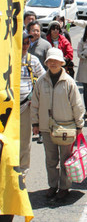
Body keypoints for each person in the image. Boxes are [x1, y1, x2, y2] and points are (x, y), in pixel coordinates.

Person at [31, 48, 85, 200]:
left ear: (62, 62)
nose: (53, 63)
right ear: (46, 62)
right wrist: (35, 123)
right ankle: (53, 185)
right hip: (47, 128)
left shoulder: (69, 82)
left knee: (66, 160)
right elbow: (35, 103)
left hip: (66, 127)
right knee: (51, 159)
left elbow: (77, 105)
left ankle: (64, 187)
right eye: (50, 61)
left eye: (56, 61)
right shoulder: (41, 81)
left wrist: (79, 125)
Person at [20, 32, 45, 177]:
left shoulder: (33, 60)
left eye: (27, 43)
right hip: (7, 106)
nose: (24, 46)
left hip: (25, 106)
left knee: (24, 139)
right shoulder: (8, 58)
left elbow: (42, 78)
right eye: (22, 43)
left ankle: (23, 168)